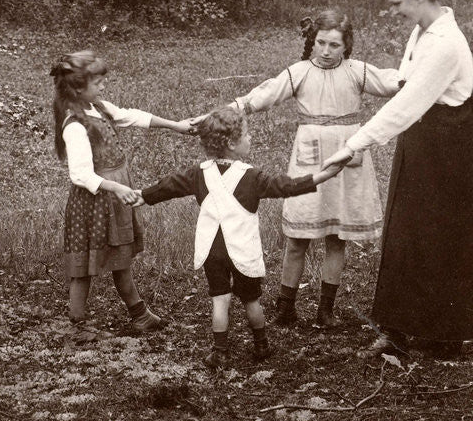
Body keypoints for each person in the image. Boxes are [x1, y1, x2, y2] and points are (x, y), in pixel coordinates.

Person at [321, 0, 473, 359]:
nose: (394, 10)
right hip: (422, 136)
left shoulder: (446, 42)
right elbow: (405, 81)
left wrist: (354, 144)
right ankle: (398, 328)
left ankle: (446, 335)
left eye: (397, 2)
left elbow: (408, 102)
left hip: (451, 143)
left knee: (445, 234)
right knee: (407, 229)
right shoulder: (423, 31)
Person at [199, 10, 402, 328]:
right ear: (312, 41)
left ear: (346, 45)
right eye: (321, 42)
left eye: (334, 45)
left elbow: (393, 82)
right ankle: (286, 307)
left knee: (337, 237)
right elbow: (265, 94)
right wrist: (233, 107)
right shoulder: (299, 72)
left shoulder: (358, 72)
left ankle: (326, 309)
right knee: (298, 237)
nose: (326, 51)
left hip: (348, 160)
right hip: (309, 160)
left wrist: (419, 77)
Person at [131, 107, 346, 368]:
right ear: (232, 144)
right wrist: (321, 176)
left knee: (219, 300)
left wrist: (143, 195)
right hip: (242, 249)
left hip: (212, 249)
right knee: (251, 300)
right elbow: (285, 186)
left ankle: (220, 351)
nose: (251, 138)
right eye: (246, 134)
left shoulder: (198, 173)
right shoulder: (252, 177)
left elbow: (170, 185)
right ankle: (261, 344)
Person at [51, 50, 192, 344]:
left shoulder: (97, 107)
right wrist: (116, 188)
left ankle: (140, 315)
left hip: (114, 195)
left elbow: (130, 116)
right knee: (85, 266)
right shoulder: (75, 124)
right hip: (93, 203)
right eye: (98, 83)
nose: (103, 87)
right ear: (78, 87)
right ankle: (77, 325)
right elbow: (80, 175)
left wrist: (175, 125)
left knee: (121, 257)